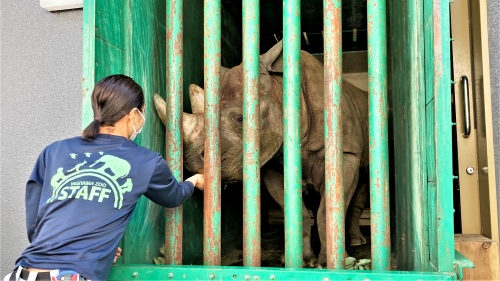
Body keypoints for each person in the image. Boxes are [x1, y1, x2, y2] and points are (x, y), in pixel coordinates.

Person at [3, 74, 204, 281]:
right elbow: (173, 196)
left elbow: (36, 221)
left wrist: (99, 246)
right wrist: (194, 180)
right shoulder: (144, 161)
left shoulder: (54, 151)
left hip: (22, 274)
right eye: (143, 111)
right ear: (133, 114)